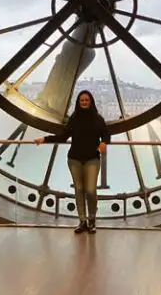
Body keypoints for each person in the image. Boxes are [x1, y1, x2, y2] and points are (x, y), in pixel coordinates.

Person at [34, 90, 109, 234]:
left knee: (81, 190)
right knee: (89, 190)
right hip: (91, 158)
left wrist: (45, 139)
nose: (85, 102)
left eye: (86, 100)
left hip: (74, 158)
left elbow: (63, 137)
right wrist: (104, 142)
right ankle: (90, 220)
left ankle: (83, 221)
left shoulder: (74, 118)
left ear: (89, 102)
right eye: (83, 100)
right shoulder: (98, 119)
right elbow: (105, 133)